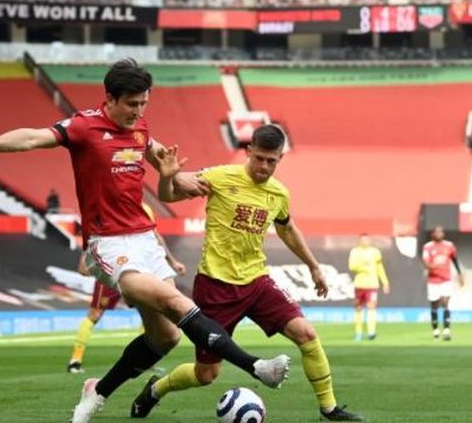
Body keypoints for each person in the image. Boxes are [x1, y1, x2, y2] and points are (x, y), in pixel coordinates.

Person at [0, 58, 290, 423]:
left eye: (144, 103)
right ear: (110, 99)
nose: (138, 111)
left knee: (165, 338)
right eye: (132, 104)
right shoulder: (84, 126)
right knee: (171, 299)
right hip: (108, 243)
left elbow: (162, 159)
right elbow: (34, 136)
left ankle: (95, 392)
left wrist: (180, 178)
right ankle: (256, 366)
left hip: (145, 239)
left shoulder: (140, 128)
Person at [131, 124, 364, 422]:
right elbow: (170, 195)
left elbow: (287, 229)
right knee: (206, 374)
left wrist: (314, 266)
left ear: (280, 158)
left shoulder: (278, 193)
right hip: (215, 287)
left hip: (256, 282)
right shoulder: (219, 177)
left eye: (272, 161)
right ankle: (156, 389)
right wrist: (166, 178)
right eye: (260, 159)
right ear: (248, 151)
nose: (264, 167)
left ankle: (329, 408)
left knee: (306, 333)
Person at [68, 203, 187, 374]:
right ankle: (75, 360)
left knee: (151, 313)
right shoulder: (105, 207)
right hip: (111, 270)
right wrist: (86, 259)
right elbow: (92, 239)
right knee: (94, 314)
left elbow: (155, 236)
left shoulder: (145, 209)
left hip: (138, 269)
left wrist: (173, 262)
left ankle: (148, 358)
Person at [422, 226, 464, 341]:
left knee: (445, 302)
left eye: (440, 231)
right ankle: (435, 330)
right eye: (436, 232)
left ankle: (446, 330)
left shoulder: (449, 245)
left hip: (446, 279)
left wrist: (460, 274)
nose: (439, 233)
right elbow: (425, 262)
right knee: (434, 304)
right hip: (433, 280)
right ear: (433, 234)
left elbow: (454, 260)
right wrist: (431, 266)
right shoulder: (428, 247)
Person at [348, 233, 389, 341]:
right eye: (363, 240)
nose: (365, 242)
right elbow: (352, 266)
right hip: (359, 284)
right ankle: (358, 332)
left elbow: (380, 267)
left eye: (367, 240)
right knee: (358, 308)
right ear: (359, 241)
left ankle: (371, 332)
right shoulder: (355, 252)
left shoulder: (375, 252)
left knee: (371, 306)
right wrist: (364, 267)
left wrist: (385, 282)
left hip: (372, 284)